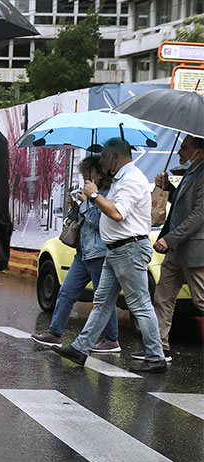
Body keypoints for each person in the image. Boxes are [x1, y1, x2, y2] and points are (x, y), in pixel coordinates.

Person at [53, 137, 167, 373]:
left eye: (104, 157)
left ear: (116, 156)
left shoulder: (132, 180)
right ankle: (80, 348)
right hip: (116, 251)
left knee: (140, 304)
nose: (102, 162)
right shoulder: (121, 179)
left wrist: (94, 196)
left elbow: (117, 213)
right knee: (102, 302)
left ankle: (156, 357)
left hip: (129, 250)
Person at [32, 156, 120, 352]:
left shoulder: (107, 194)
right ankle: (55, 333)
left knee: (103, 298)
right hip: (83, 252)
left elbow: (99, 221)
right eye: (84, 174)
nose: (86, 177)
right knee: (66, 292)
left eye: (89, 173)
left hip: (99, 253)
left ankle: (111, 339)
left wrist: (88, 202)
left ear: (100, 174)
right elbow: (78, 220)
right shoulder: (88, 195)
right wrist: (75, 204)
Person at [141, 135, 204, 362]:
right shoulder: (190, 172)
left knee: (200, 301)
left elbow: (199, 215)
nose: (179, 152)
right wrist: (167, 188)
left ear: (199, 151)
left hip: (194, 250)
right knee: (163, 297)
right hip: (176, 250)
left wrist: (170, 239)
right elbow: (182, 203)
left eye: (184, 148)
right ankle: (159, 349)